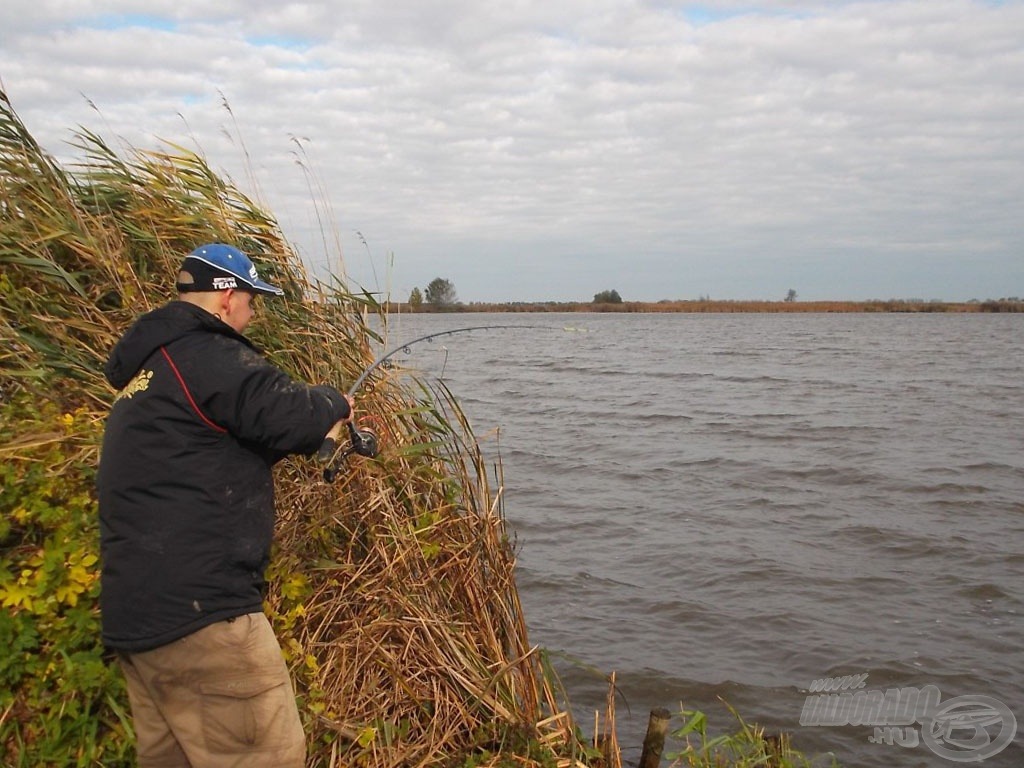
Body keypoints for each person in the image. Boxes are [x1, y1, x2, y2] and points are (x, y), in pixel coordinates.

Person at [96, 243, 354, 767]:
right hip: (203, 618)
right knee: (268, 756)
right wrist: (335, 403)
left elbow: (211, 452)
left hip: (139, 620)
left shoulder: (153, 371)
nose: (253, 314)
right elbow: (292, 414)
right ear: (226, 298)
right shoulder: (208, 356)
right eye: (252, 301)